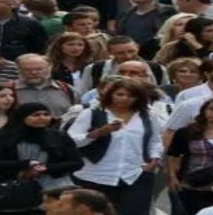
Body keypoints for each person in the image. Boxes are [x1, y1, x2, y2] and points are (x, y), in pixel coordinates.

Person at [66, 78, 164, 211]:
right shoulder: (91, 113)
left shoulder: (148, 115)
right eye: (120, 94)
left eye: (131, 96)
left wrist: (154, 159)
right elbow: (72, 140)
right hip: (95, 175)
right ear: (110, 94)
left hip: (135, 174)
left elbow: (155, 140)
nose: (125, 99)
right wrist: (100, 132)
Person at [0, 102, 82, 202]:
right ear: (22, 117)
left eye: (46, 114)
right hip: (9, 189)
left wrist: (44, 168)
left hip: (52, 188)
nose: (42, 118)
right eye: (36, 115)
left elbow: (76, 162)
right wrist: (25, 165)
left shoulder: (59, 136)